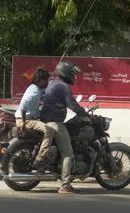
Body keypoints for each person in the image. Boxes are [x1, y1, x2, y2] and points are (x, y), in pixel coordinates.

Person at [40, 61, 91, 194]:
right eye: (72, 73)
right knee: (68, 153)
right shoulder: (63, 86)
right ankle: (65, 185)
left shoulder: (53, 83)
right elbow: (72, 105)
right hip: (55, 123)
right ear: (65, 73)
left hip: (46, 120)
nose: (74, 76)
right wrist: (86, 114)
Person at [15, 69, 55, 171]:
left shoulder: (36, 88)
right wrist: (24, 123)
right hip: (25, 120)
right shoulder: (34, 92)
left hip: (29, 119)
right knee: (49, 130)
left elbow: (44, 93)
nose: (47, 82)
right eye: (46, 80)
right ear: (40, 80)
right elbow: (23, 106)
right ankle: (40, 158)